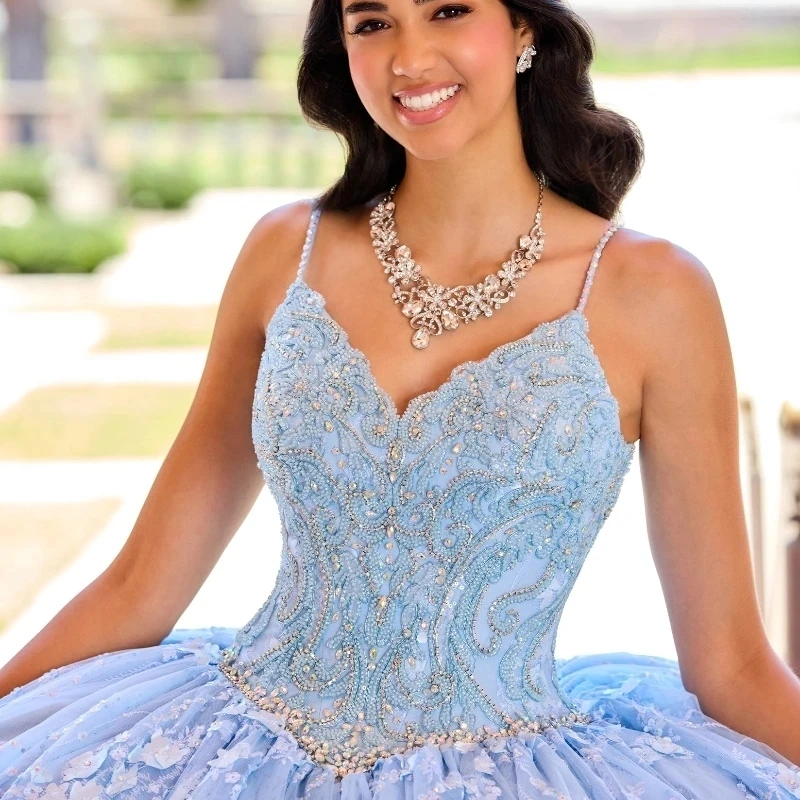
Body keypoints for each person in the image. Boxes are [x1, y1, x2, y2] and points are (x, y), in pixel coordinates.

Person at [1, 0, 800, 796]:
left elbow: (729, 661)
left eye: (448, 10)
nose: (410, 58)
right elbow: (140, 583)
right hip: (235, 753)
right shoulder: (286, 253)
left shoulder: (653, 294)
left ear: (524, 28)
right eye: (372, 22)